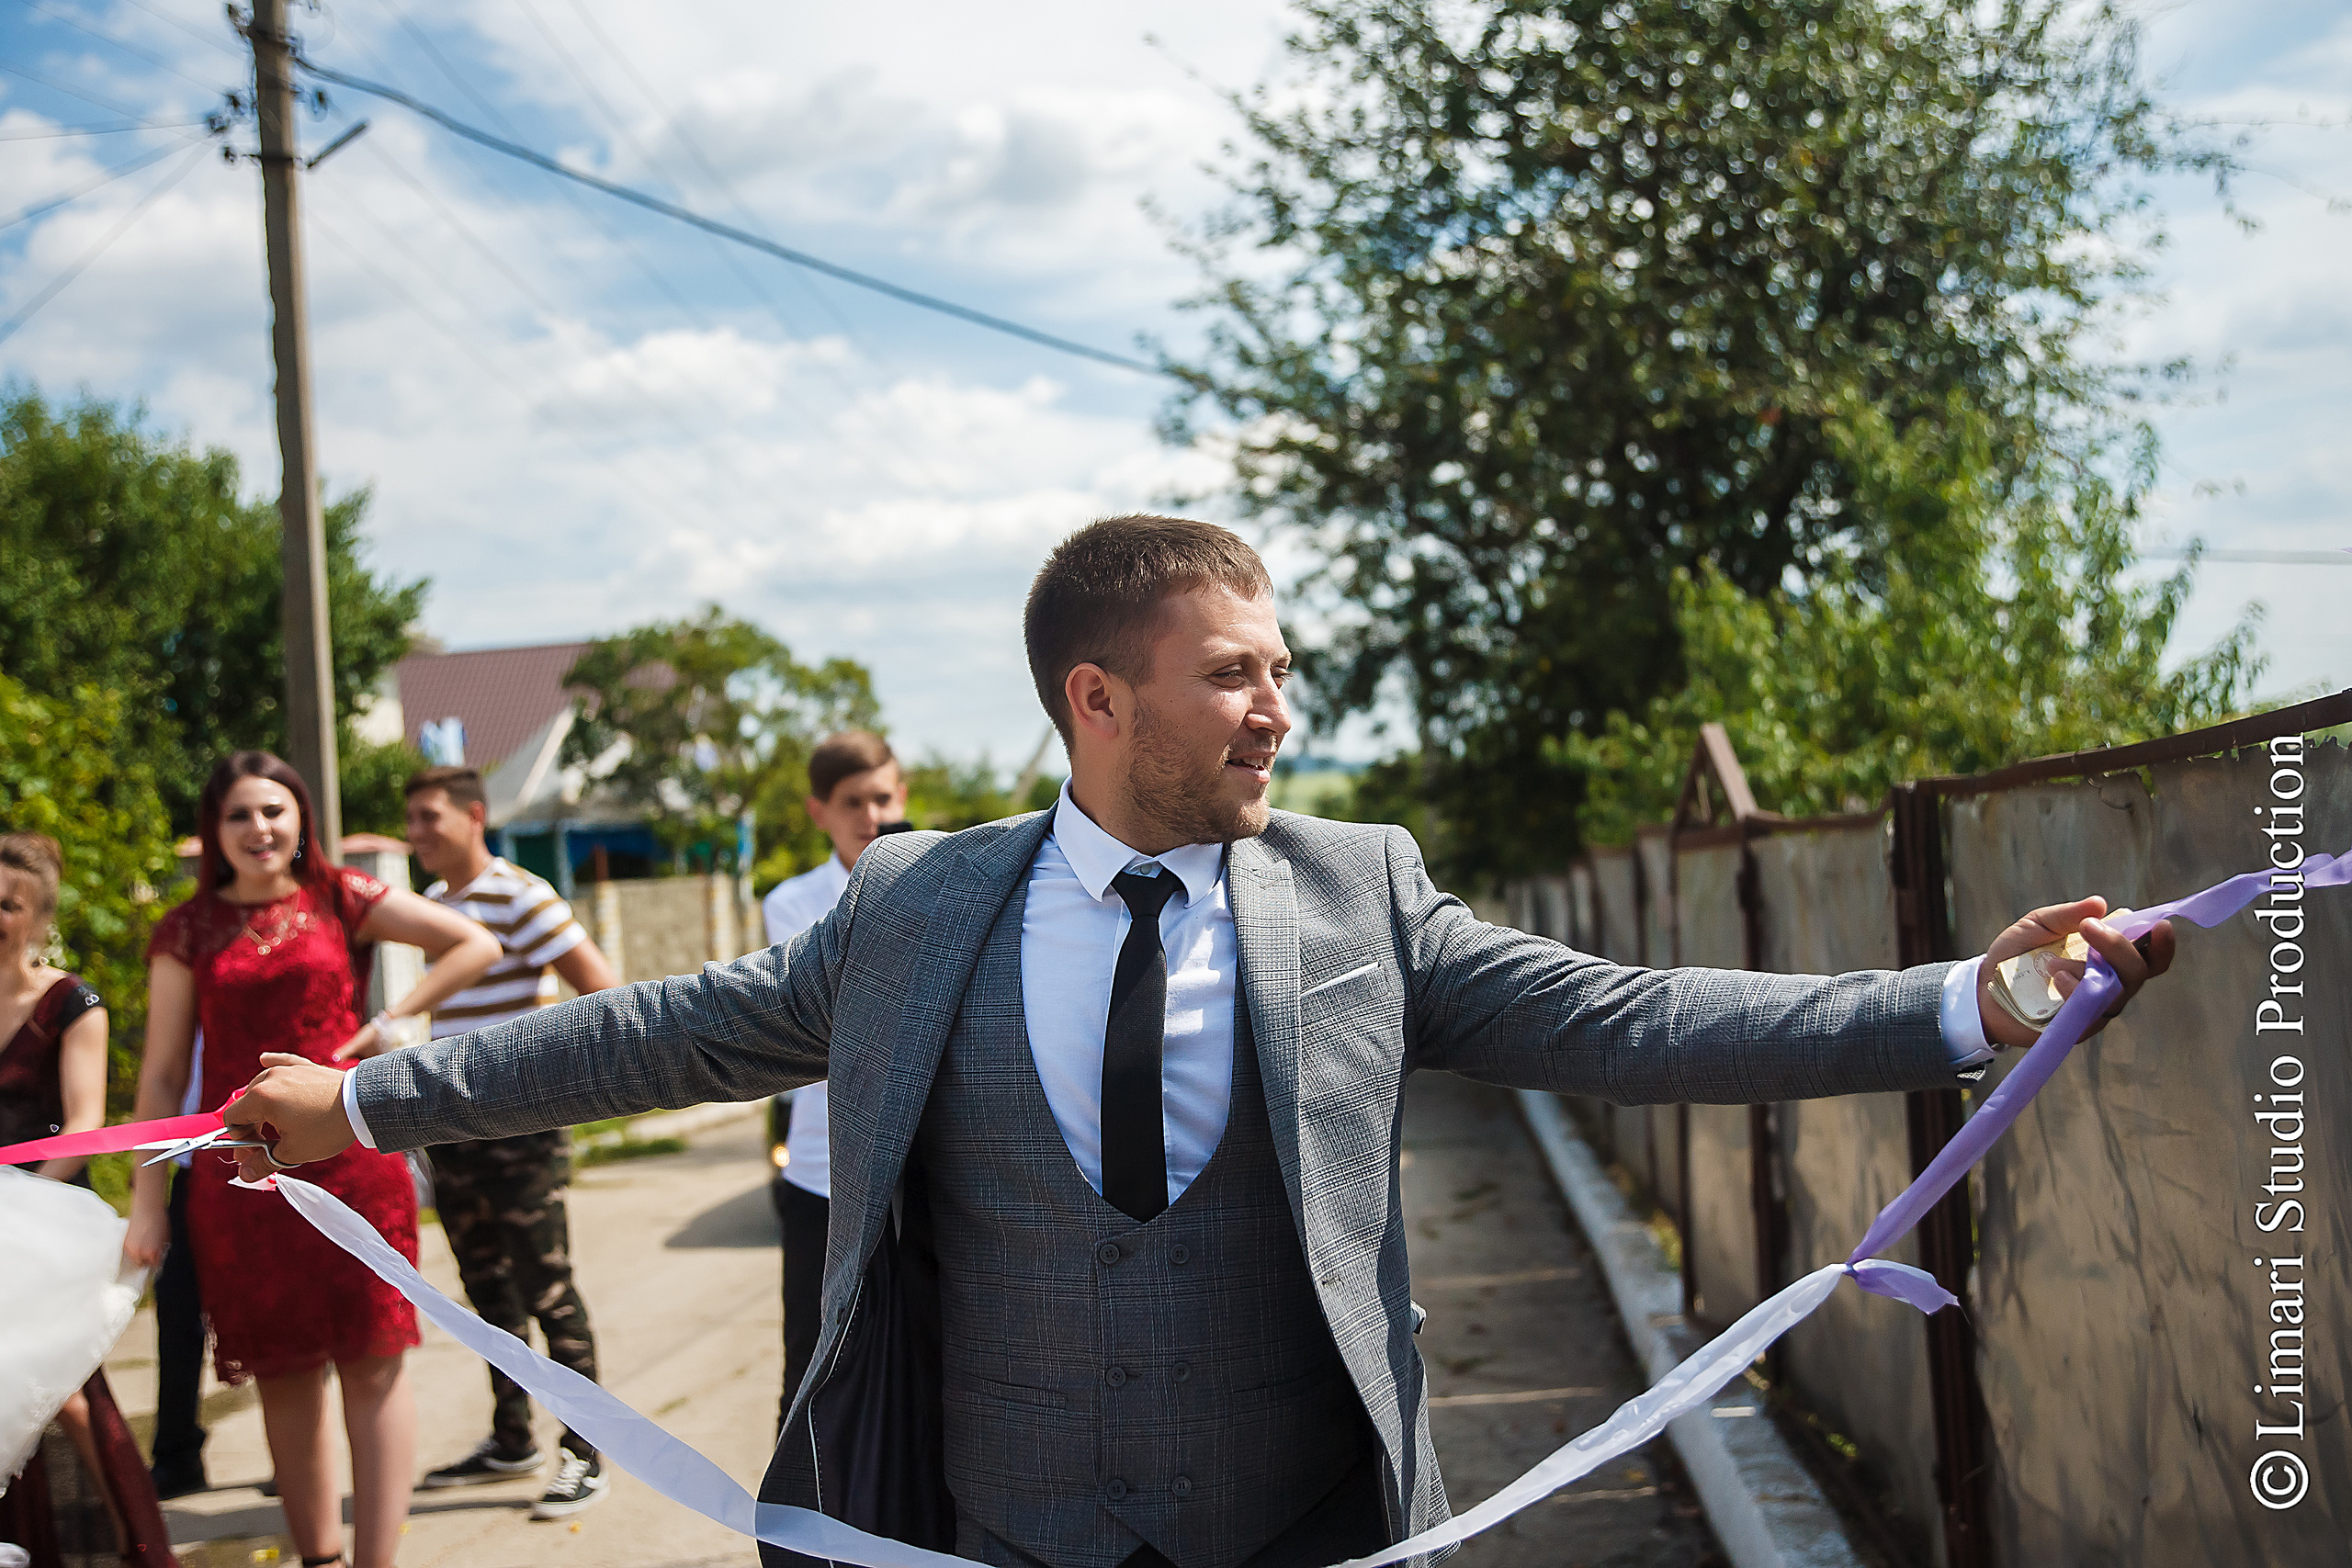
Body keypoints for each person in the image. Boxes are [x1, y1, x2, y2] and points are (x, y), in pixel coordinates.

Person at [227, 516, 2175, 1568]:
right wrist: (367, 1095)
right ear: (1097, 697)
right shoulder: (909, 907)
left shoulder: (1359, 889)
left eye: (1282, 667)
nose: (1278, 707)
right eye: (1234, 671)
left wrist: (1963, 998)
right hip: (999, 1530)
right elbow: (662, 1033)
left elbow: (1634, 1016)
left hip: (1300, 1524)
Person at [122, 752, 502, 1568]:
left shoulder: (342, 897)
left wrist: (389, 1022)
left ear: (300, 820)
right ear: (213, 830)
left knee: (373, 1366)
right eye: (239, 815)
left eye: (274, 811)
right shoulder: (185, 930)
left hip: (358, 1164)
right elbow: (158, 1074)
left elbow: (474, 942)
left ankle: (377, 1561)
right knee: (284, 1373)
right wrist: (147, 1199)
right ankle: (320, 1558)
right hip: (244, 1180)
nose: (259, 829)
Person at [395, 765, 623, 1518]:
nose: (417, 833)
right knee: (488, 1294)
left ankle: (585, 1452)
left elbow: (600, 988)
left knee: (548, 1288)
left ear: (474, 815)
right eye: (413, 820)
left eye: (431, 817)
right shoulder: (435, 906)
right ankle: (512, 1437)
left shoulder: (523, 896)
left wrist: (545, 1076)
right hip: (451, 1131)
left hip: (520, 1133)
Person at [0, 832, 176, 1564]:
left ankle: (135, 1550)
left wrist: (17, 1206)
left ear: (39, 917)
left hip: (42, 1222)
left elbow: (84, 1124)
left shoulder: (74, 1002)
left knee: (63, 1398)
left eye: (8, 903)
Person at [760, 731, 910, 1423]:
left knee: (914, 1359)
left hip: (915, 1166)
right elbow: (835, 1015)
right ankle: (801, 1528)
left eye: (882, 797)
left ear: (901, 794)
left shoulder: (936, 880)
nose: (871, 816)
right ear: (819, 811)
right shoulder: (792, 904)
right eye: (853, 802)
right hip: (822, 1173)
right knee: (813, 1362)